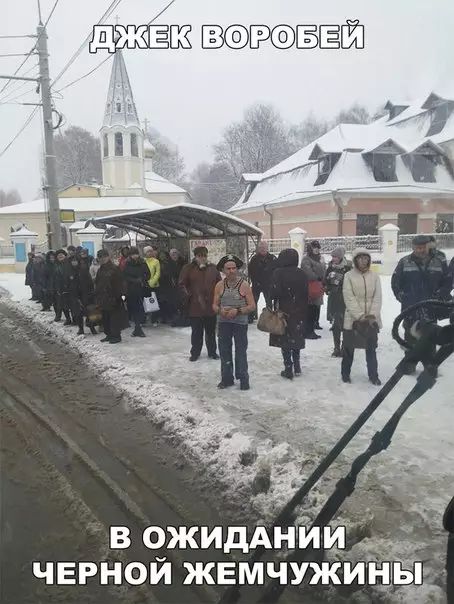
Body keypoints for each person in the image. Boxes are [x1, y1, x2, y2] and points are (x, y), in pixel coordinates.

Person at [391, 234, 451, 374]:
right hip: (411, 308)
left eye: (423, 247)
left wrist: (440, 295)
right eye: (417, 247)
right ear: (413, 247)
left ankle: (430, 366)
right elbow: (395, 282)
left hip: (431, 307)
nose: (420, 250)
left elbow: (447, 281)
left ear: (427, 246)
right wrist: (402, 297)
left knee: (430, 335)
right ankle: (409, 365)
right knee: (410, 336)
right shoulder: (405, 262)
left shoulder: (439, 260)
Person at [213, 255, 256, 390]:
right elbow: (214, 305)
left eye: (234, 268)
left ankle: (243, 378)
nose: (232, 271)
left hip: (240, 323)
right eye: (228, 268)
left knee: (240, 351)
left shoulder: (244, 285)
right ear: (223, 270)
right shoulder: (219, 285)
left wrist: (237, 311)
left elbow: (252, 306)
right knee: (224, 350)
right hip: (224, 322)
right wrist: (220, 310)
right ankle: (226, 378)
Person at [342, 248, 382, 385]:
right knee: (348, 348)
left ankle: (373, 375)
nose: (363, 261)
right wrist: (359, 315)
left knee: (371, 349)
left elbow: (378, 298)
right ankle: (345, 374)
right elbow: (348, 297)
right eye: (360, 258)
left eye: (365, 258)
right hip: (352, 319)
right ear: (355, 260)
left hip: (371, 320)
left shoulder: (374, 276)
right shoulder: (348, 276)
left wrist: (371, 315)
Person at [269, 248, 309, 380]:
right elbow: (305, 293)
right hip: (299, 310)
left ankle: (288, 367)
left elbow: (274, 293)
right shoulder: (302, 273)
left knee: (284, 339)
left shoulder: (278, 273)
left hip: (284, 310)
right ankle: (297, 365)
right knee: (296, 337)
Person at [179, 246, 221, 361]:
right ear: (195, 256)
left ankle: (212, 352)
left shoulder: (213, 268)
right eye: (200, 256)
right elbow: (182, 284)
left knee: (211, 332)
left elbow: (219, 284)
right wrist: (190, 295)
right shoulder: (188, 268)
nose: (202, 258)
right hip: (195, 306)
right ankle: (195, 352)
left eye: (204, 256)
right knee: (196, 332)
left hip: (210, 306)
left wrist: (217, 299)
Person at [95, 249, 127, 344]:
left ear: (108, 257)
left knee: (114, 318)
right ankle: (108, 335)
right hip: (103, 298)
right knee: (105, 318)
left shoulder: (114, 268)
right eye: (100, 257)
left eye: (104, 256)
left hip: (113, 297)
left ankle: (116, 336)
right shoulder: (100, 269)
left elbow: (121, 283)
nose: (102, 259)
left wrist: (120, 296)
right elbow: (97, 283)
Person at [324, 247, 352, 357]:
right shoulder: (330, 266)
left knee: (345, 325)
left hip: (345, 299)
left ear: (340, 257)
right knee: (335, 325)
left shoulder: (348, 267)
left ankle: (344, 347)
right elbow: (325, 279)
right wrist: (326, 286)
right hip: (334, 298)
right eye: (332, 256)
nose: (333, 258)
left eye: (335, 257)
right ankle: (336, 347)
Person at [123, 246, 151, 337]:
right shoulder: (127, 264)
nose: (135, 256)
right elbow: (125, 276)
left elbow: (148, 274)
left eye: (136, 254)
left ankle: (138, 328)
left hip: (141, 288)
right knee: (134, 308)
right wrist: (134, 280)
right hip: (131, 289)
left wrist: (142, 279)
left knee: (140, 308)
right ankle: (137, 328)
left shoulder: (142, 262)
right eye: (133, 254)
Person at [301, 240, 326, 338]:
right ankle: (308, 330)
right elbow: (307, 272)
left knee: (316, 307)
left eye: (318, 248)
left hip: (318, 286)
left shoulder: (320, 258)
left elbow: (324, 270)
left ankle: (314, 325)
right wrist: (317, 277)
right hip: (310, 286)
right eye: (314, 248)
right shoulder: (306, 259)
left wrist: (323, 280)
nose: (316, 250)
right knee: (310, 309)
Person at [66, 254, 97, 335]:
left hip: (85, 294)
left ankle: (91, 326)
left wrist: (91, 292)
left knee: (89, 312)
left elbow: (89, 281)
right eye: (73, 261)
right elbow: (67, 283)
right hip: (75, 295)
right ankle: (81, 328)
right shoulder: (69, 271)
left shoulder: (83, 270)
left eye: (76, 261)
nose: (74, 262)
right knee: (78, 313)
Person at [247, 241, 277, 322]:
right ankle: (251, 317)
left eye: (264, 248)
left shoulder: (272, 258)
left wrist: (274, 281)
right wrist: (251, 280)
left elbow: (276, 270)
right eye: (261, 248)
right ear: (258, 249)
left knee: (269, 302)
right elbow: (250, 270)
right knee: (253, 301)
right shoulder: (254, 259)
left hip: (268, 284)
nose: (263, 249)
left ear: (267, 248)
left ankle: (269, 317)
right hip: (256, 283)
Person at [159, 248, 185, 324]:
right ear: (170, 255)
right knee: (172, 303)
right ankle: (174, 319)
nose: (174, 255)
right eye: (172, 254)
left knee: (181, 302)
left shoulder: (182, 262)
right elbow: (165, 275)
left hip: (181, 286)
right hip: (170, 287)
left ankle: (180, 318)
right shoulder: (167, 264)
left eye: (175, 253)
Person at [143, 245, 161, 326]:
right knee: (145, 302)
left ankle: (154, 319)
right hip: (145, 285)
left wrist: (152, 282)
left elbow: (158, 273)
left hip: (154, 285)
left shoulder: (156, 261)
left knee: (154, 302)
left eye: (151, 251)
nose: (150, 253)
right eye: (148, 251)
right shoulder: (143, 261)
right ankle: (145, 318)